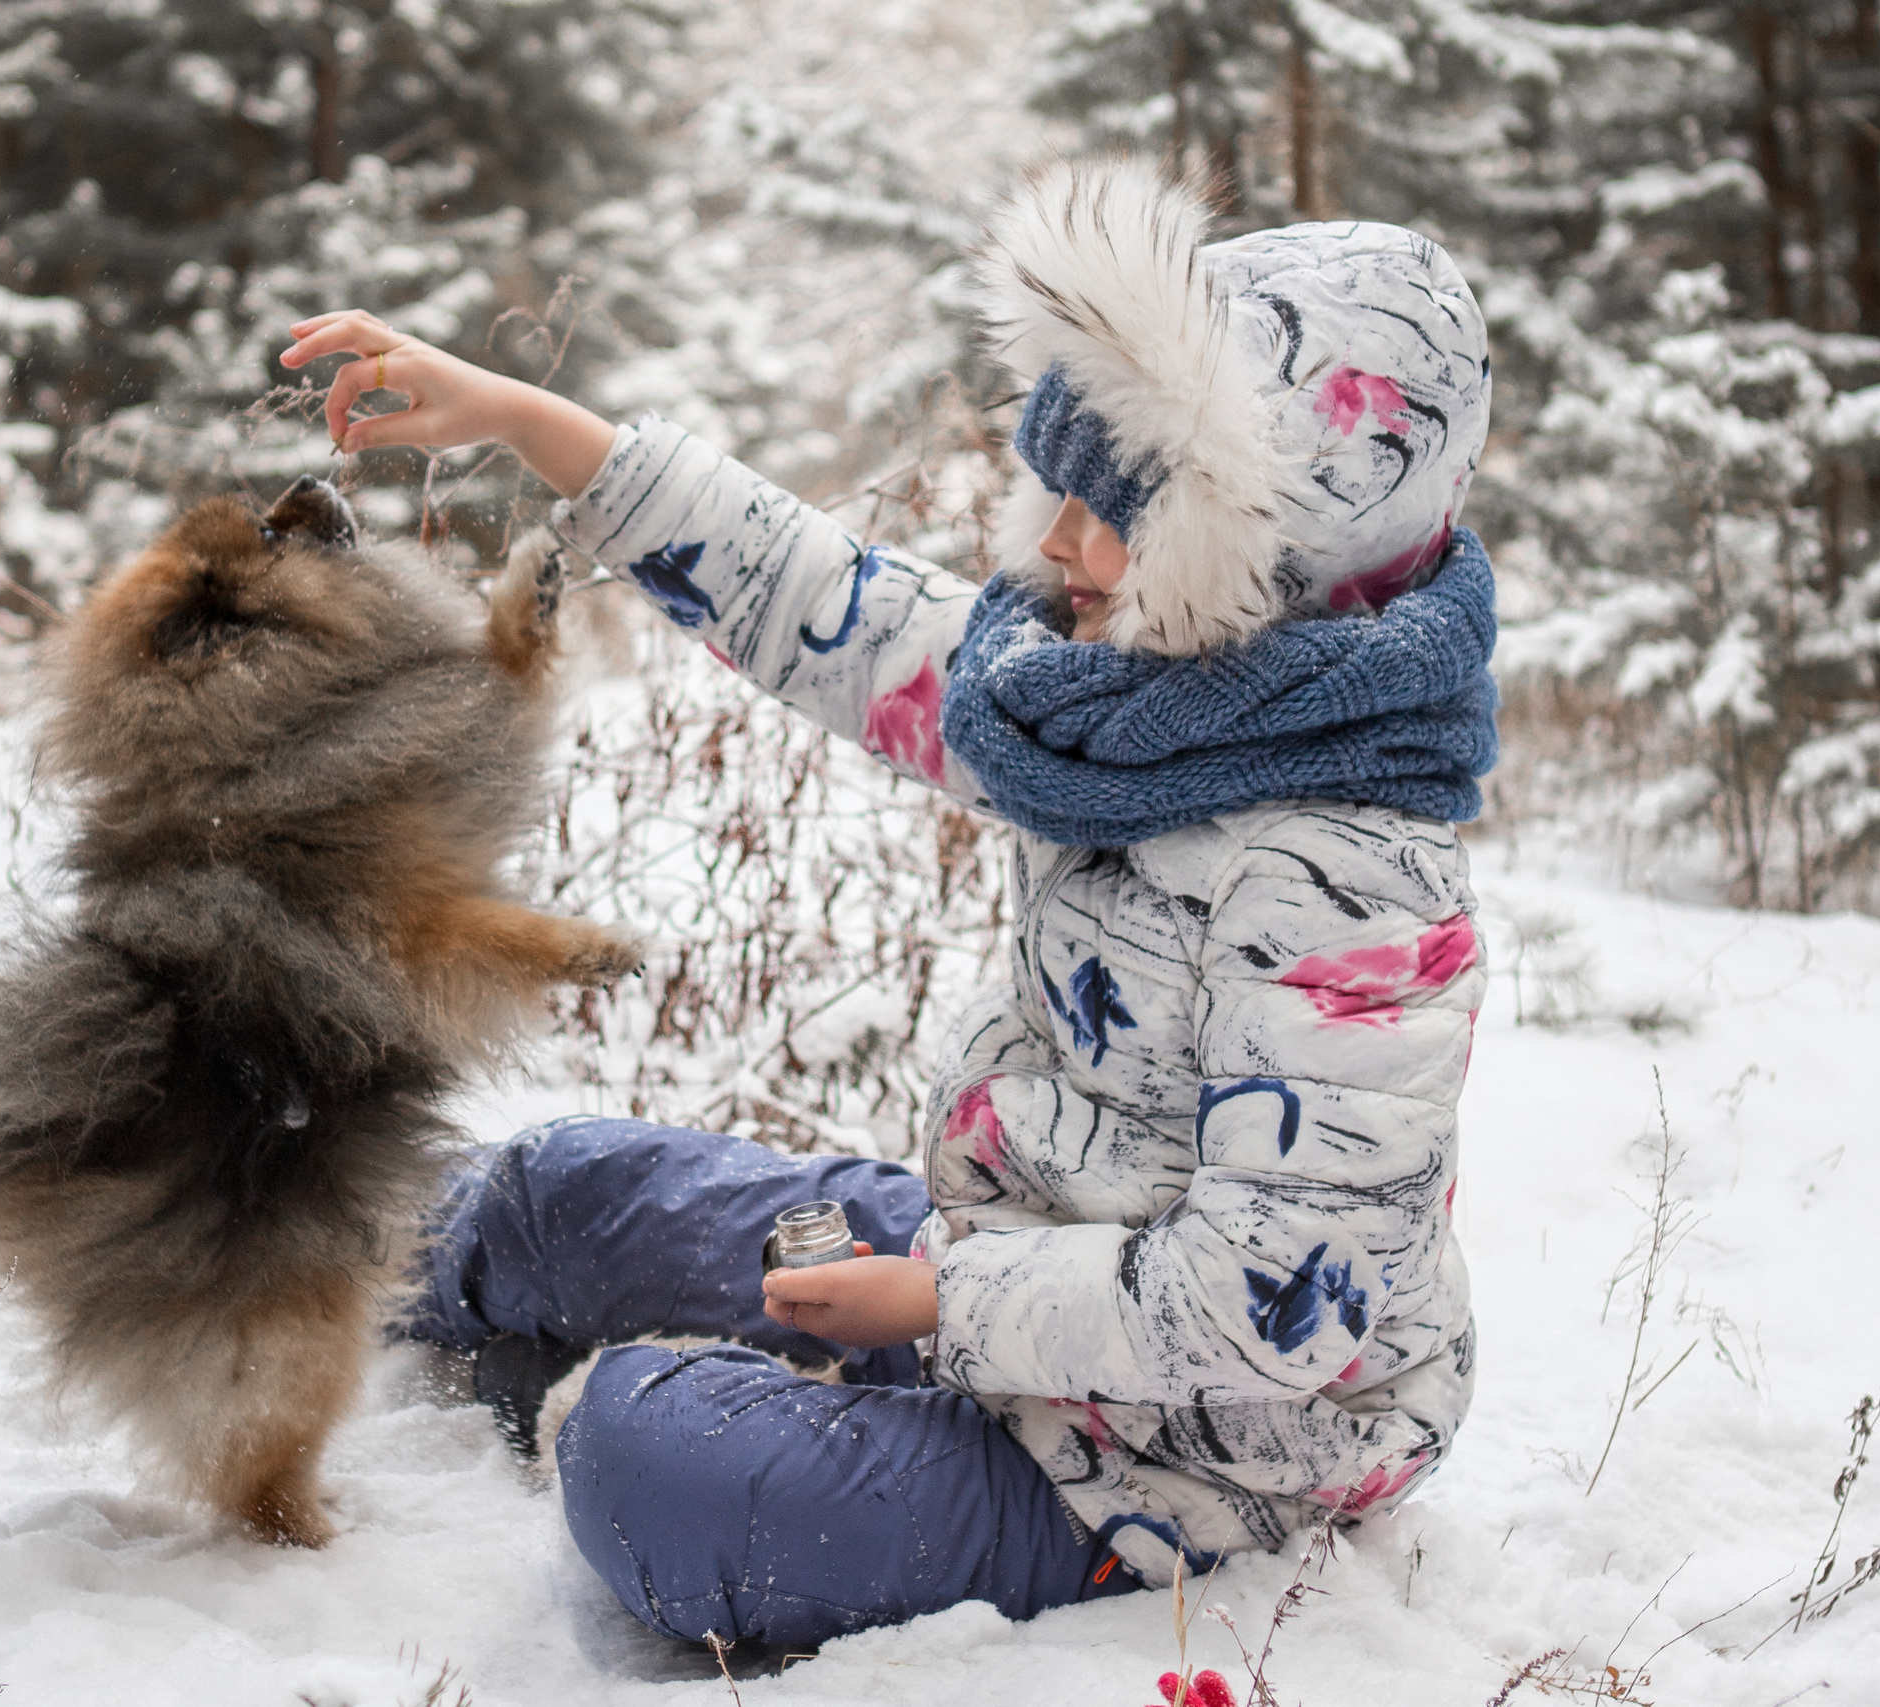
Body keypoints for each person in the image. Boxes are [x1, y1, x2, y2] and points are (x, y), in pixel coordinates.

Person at [279, 158, 1497, 1650]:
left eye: (1110, 509)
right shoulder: (1113, 706)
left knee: (653, 1466)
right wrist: (537, 425)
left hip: (1189, 1462)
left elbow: (1277, 1299)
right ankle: (309, 1266)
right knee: (560, 1191)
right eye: (1056, 489)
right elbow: (833, 614)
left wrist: (935, 1304)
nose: (1052, 545)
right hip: (1010, 1253)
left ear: (1259, 550)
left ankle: (661, 1404)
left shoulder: (1355, 889)